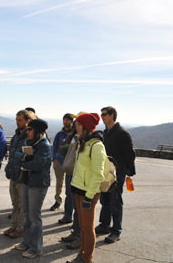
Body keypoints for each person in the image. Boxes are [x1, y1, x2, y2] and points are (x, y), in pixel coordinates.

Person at [67, 113, 106, 263]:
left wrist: (89, 197)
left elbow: (98, 175)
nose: (75, 127)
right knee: (82, 226)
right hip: (79, 189)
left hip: (89, 192)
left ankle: (87, 259)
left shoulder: (96, 146)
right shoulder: (84, 142)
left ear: (86, 127)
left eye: (78, 124)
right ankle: (81, 254)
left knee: (88, 228)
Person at [12, 118, 52, 259]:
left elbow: (36, 165)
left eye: (30, 129)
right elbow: (15, 154)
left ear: (37, 131)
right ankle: (26, 242)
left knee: (35, 217)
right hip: (27, 181)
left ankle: (36, 248)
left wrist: (23, 160)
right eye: (27, 129)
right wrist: (26, 158)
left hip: (38, 184)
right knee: (27, 215)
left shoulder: (44, 145)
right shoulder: (28, 142)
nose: (27, 131)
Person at [96, 106, 136, 243]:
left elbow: (130, 154)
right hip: (106, 172)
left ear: (112, 115)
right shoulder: (106, 132)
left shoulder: (121, 133)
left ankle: (116, 231)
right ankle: (104, 225)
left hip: (117, 173)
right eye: (101, 115)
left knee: (115, 201)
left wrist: (128, 170)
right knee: (105, 200)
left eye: (105, 114)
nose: (102, 117)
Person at [4, 109, 32, 239]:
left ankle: (21, 228)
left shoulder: (29, 136)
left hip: (22, 174)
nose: (17, 122)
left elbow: (29, 156)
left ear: (27, 121)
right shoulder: (16, 136)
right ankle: (14, 225)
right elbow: (12, 155)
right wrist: (9, 168)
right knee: (15, 202)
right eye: (16, 119)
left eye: (20, 120)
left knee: (22, 203)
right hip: (13, 173)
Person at [61, 112, 86, 250]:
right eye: (75, 122)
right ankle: (76, 233)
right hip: (71, 173)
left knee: (80, 208)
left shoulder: (88, 140)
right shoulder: (74, 136)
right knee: (74, 203)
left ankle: (80, 237)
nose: (75, 125)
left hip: (79, 176)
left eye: (78, 123)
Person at [52, 114, 75, 215]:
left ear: (71, 121)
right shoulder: (59, 134)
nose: (65, 122)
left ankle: (70, 207)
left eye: (67, 120)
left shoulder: (75, 133)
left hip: (70, 162)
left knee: (70, 185)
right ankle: (58, 201)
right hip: (59, 161)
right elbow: (55, 146)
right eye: (64, 120)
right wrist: (54, 158)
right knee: (59, 183)